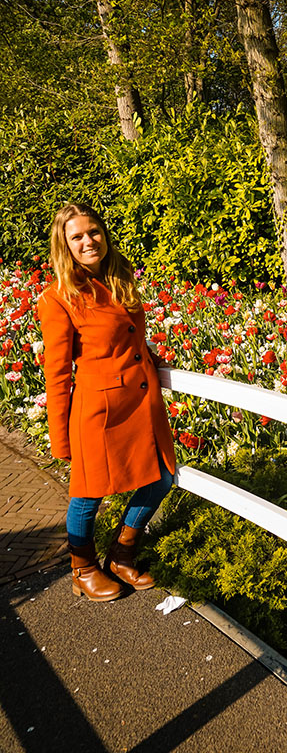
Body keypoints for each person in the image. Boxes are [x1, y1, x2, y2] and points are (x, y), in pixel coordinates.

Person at [38, 202, 176, 602]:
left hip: (141, 401)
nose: (88, 241)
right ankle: (82, 567)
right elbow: (58, 373)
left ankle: (121, 553)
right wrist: (60, 437)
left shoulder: (119, 276)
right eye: (77, 236)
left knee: (162, 478)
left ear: (104, 232)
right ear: (64, 245)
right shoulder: (59, 298)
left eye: (93, 232)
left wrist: (147, 354)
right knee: (88, 493)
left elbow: (127, 334)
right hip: (99, 410)